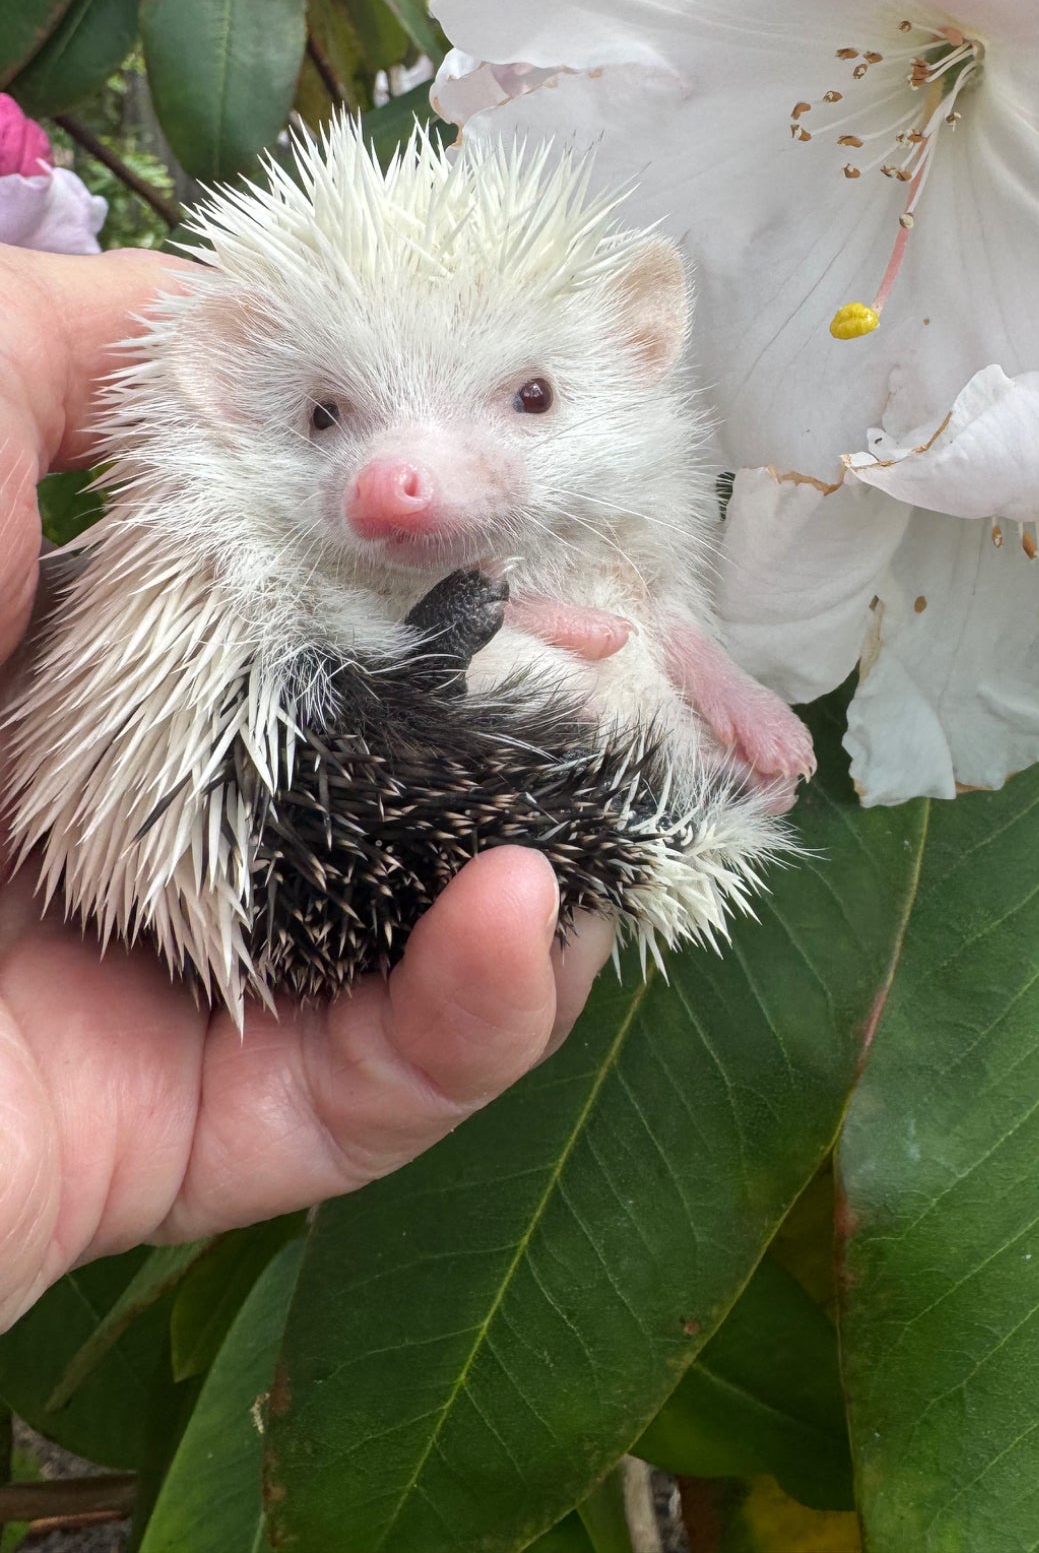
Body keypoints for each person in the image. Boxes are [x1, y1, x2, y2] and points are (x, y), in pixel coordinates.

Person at [0, 243, 612, 1331]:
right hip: (261, 777)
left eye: (522, 398)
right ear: (232, 386)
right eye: (329, 415)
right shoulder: (219, 527)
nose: (405, 471)